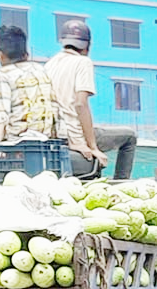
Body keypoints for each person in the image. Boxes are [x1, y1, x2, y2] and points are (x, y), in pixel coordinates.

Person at [44, 18, 138, 179]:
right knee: (129, 137)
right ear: (87, 45)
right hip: (72, 133)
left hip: (53, 133)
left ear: (63, 42)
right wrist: (92, 146)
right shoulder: (83, 62)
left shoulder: (49, 64)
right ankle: (121, 184)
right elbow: (80, 105)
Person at [0, 25, 65, 145]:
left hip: (14, 140)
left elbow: (1, 115)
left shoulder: (2, 74)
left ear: (0, 55)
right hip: (44, 138)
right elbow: (55, 108)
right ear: (26, 53)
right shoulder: (41, 70)